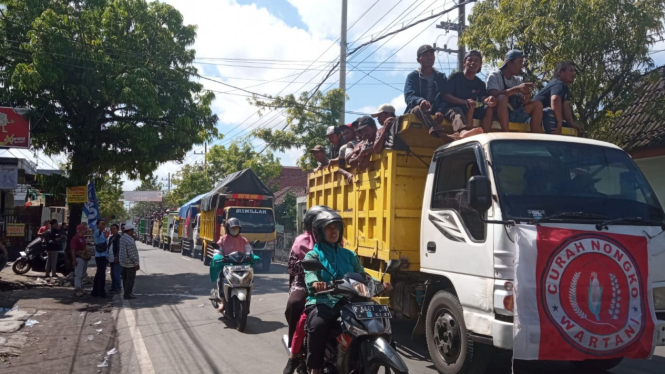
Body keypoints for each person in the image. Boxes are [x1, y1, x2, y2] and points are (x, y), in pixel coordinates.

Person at [303, 210, 391, 374]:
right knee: (318, 325)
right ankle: (316, 368)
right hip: (323, 301)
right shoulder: (314, 254)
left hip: (349, 301)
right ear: (320, 232)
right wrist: (316, 283)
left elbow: (363, 275)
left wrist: (379, 285)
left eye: (336, 227)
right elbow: (310, 275)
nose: (334, 231)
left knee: (376, 322)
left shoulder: (349, 255)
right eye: (329, 228)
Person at [283, 206, 334, 374]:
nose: (329, 229)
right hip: (305, 282)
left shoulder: (336, 240)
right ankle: (295, 352)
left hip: (332, 282)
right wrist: (309, 268)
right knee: (296, 304)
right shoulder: (301, 241)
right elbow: (291, 267)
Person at [404, 44, 457, 141]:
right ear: (418, 59)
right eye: (426, 55)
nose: (429, 57)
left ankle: (461, 133)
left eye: (431, 55)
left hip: (435, 111)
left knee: (456, 109)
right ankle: (440, 133)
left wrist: (440, 110)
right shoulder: (413, 77)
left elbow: (444, 97)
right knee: (418, 108)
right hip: (418, 112)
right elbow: (409, 96)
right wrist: (421, 101)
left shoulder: (440, 77)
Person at [486, 49, 543, 132]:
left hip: (514, 114)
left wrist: (526, 97)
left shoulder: (518, 80)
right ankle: (506, 132)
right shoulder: (495, 76)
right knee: (502, 97)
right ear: (509, 63)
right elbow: (493, 94)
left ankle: (535, 136)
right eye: (520, 62)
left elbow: (524, 102)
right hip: (497, 115)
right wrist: (517, 89)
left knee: (538, 104)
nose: (522, 66)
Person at [443, 50, 497, 134]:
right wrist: (464, 102)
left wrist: (489, 100)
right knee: (470, 105)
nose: (473, 63)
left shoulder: (480, 83)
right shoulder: (455, 77)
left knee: (488, 108)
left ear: (480, 65)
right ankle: (468, 136)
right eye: (470, 60)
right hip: (455, 109)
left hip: (473, 109)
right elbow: (446, 96)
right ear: (464, 62)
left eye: (476, 60)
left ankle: (484, 134)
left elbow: (484, 99)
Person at [533, 60, 584, 134]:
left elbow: (566, 106)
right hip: (533, 119)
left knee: (569, 127)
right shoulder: (558, 84)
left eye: (574, 71)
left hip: (544, 119)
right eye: (570, 71)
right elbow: (555, 99)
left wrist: (572, 123)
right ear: (560, 72)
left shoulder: (565, 89)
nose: (574, 74)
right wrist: (559, 123)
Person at [214, 218, 252, 313]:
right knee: (220, 279)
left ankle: (247, 301)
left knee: (250, 279)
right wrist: (218, 255)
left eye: (237, 228)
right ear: (228, 228)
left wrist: (250, 256)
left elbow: (248, 250)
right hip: (228, 265)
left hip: (242, 266)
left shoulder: (243, 240)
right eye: (232, 228)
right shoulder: (223, 239)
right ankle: (223, 302)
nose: (235, 230)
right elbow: (218, 250)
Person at [119, 223, 140, 300]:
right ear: (130, 230)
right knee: (130, 279)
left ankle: (126, 293)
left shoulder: (122, 238)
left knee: (125, 279)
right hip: (130, 263)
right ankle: (128, 294)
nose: (133, 231)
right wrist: (136, 263)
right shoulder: (129, 240)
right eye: (132, 230)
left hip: (123, 262)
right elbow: (132, 253)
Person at [90, 219, 108, 298]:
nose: (103, 225)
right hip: (99, 256)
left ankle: (95, 290)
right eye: (101, 224)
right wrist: (105, 221)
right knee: (101, 274)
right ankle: (101, 291)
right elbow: (100, 230)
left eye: (103, 224)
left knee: (99, 274)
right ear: (97, 225)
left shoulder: (104, 233)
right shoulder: (97, 232)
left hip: (104, 255)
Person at [71, 224, 89, 297]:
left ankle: (80, 287)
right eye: (84, 229)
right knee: (78, 274)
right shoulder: (75, 238)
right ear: (80, 230)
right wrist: (74, 259)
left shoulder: (83, 238)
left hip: (84, 258)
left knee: (82, 274)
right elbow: (73, 249)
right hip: (79, 258)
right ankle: (77, 288)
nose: (86, 230)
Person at [108, 224, 123, 294]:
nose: (112, 230)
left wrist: (116, 257)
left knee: (116, 273)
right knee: (112, 274)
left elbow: (119, 249)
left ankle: (118, 287)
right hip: (111, 258)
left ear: (117, 229)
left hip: (116, 259)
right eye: (111, 229)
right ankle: (113, 287)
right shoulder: (111, 238)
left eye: (114, 228)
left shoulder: (119, 238)